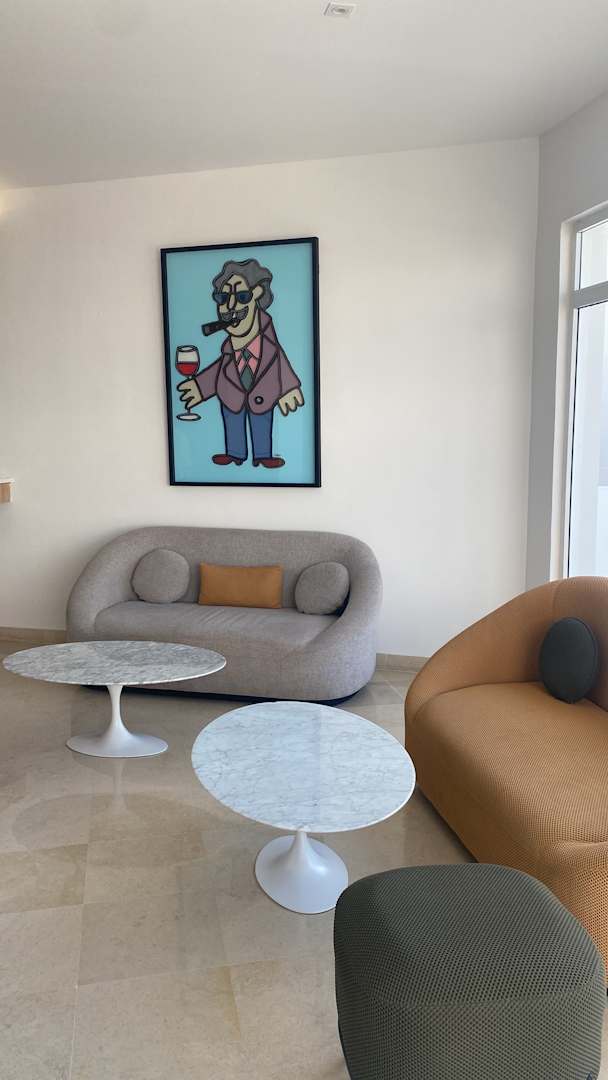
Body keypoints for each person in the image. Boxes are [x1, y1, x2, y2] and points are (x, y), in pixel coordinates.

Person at [177, 257, 304, 468]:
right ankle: (234, 452)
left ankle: (263, 455)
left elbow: (279, 361)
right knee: (232, 419)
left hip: (263, 395)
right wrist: (200, 386)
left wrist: (289, 388)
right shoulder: (228, 350)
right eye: (223, 297)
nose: (231, 306)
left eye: (242, 296)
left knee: (261, 420)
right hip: (231, 396)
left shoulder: (270, 344)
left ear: (257, 295)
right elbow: (219, 369)